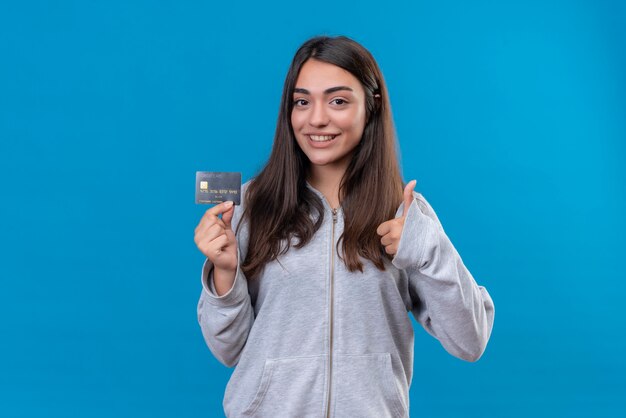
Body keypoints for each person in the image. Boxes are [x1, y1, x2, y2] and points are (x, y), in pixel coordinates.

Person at [194, 35, 495, 418]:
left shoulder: (403, 213)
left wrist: (427, 248)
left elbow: (470, 341)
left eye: (337, 101)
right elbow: (228, 351)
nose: (316, 118)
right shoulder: (253, 206)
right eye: (302, 102)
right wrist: (224, 272)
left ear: (371, 106)